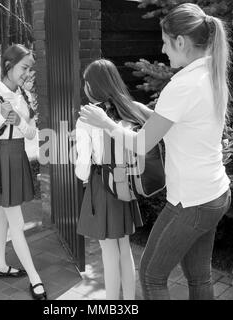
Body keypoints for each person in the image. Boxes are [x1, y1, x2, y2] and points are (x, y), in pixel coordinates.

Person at [79, 3, 232, 300]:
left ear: (180, 41)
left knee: (151, 276)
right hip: (215, 193)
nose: (163, 50)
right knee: (199, 277)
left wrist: (106, 123)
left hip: (191, 202)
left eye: (164, 42)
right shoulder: (211, 74)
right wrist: (142, 110)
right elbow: (180, 123)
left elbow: (140, 144)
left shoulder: (183, 85)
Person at [0, 44, 47, 300]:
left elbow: (31, 133)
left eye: (30, 69)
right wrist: (1, 119)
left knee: (2, 216)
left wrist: (19, 121)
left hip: (17, 157)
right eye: (24, 67)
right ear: (8, 65)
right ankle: (35, 278)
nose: (28, 73)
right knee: (16, 222)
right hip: (2, 162)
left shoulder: (22, 96)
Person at [74, 59, 153, 300]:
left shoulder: (86, 118)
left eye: (86, 83)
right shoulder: (128, 110)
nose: (85, 88)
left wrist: (75, 153)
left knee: (109, 256)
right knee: (124, 250)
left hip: (101, 187)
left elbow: (83, 172)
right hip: (124, 186)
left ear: (93, 86)